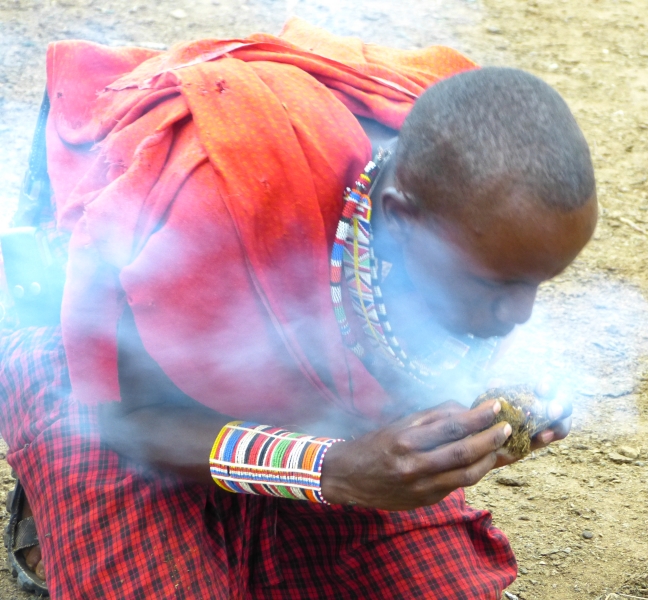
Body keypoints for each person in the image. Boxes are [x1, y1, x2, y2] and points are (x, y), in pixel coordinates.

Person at [0, 18, 597, 599]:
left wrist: (479, 418)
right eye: (497, 286)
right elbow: (127, 417)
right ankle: (55, 495)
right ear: (399, 217)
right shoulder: (222, 204)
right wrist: (333, 470)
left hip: (297, 421)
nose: (520, 315)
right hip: (110, 396)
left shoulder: (465, 195)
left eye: (537, 284)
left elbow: (395, 362)